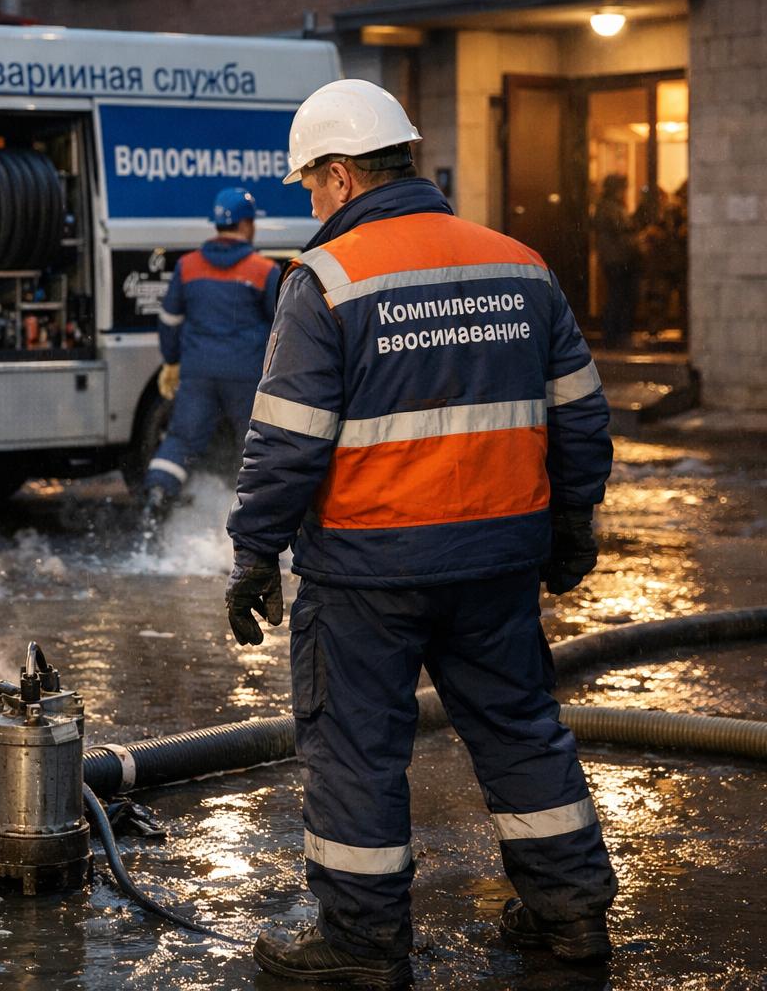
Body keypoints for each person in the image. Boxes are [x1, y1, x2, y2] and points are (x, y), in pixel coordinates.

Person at [224, 79, 616, 987]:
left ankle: (362, 944)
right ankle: (571, 915)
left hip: (368, 572)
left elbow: (287, 441)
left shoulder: (327, 281)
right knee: (522, 730)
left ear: (341, 174)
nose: (313, 207)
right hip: (498, 561)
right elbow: (580, 414)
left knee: (358, 748)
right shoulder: (520, 264)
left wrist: (253, 553)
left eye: (313, 188)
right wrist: (574, 518)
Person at [142, 187, 280, 515]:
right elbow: (281, 327)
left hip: (198, 373)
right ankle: (253, 516)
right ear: (247, 225)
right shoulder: (264, 270)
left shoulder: (188, 266)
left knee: (182, 438)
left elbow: (170, 319)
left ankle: (157, 498)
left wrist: (172, 360)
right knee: (254, 443)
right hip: (247, 376)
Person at [593, 173, 638, 349]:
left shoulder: (607, 207)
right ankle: (615, 335)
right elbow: (621, 230)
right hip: (618, 259)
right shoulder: (609, 208)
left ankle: (615, 335)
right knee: (619, 296)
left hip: (616, 258)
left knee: (619, 295)